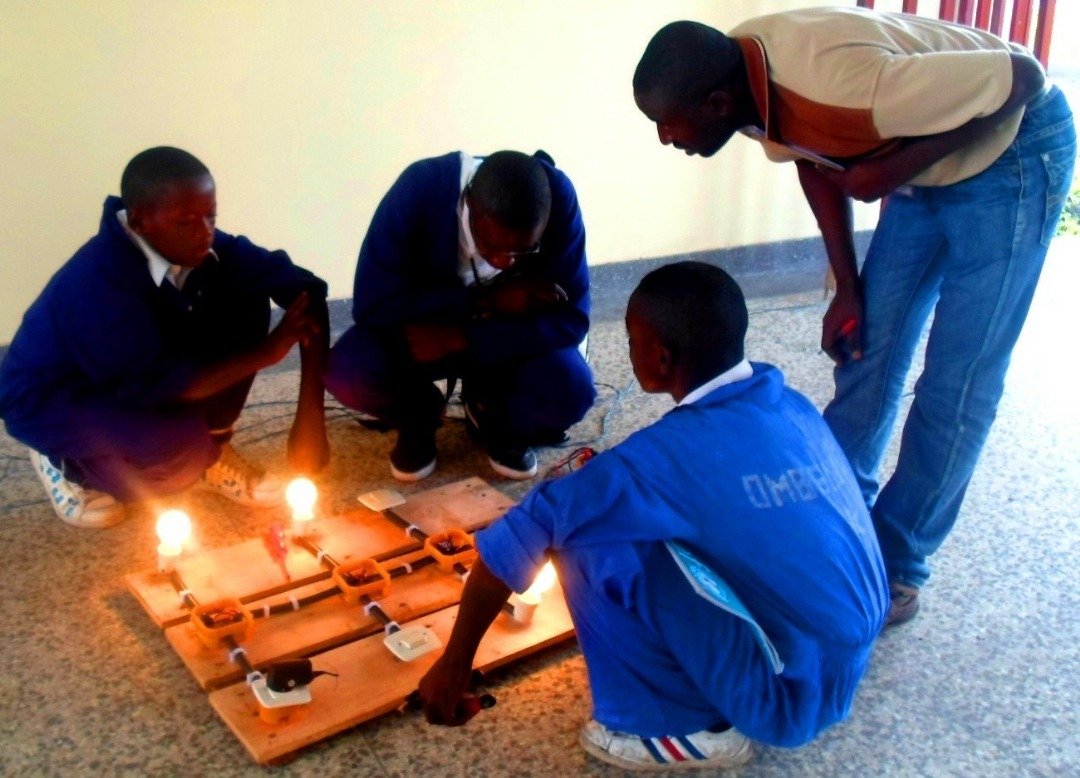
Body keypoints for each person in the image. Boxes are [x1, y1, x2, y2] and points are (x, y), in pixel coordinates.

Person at [633, 8, 1076, 625]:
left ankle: (897, 564)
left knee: (956, 385)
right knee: (867, 350)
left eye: (665, 124)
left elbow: (1024, 77)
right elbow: (813, 160)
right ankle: (832, 527)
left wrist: (891, 171)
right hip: (928, 162)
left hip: (1015, 153)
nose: (663, 137)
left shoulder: (843, 85)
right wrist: (847, 286)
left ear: (714, 103)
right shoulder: (740, 74)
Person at [419, 262, 888, 771]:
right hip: (841, 665)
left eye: (631, 339)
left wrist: (454, 663)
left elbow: (518, 539)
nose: (628, 349)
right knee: (624, 516)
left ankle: (678, 729)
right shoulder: (789, 404)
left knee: (587, 538)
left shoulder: (656, 460)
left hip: (781, 696)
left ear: (661, 358)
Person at [0, 146, 330, 528]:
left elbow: (307, 292)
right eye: (188, 222)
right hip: (53, 396)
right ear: (141, 222)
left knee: (246, 297)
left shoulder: (196, 241)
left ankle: (214, 448)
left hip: (138, 370)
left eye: (211, 215)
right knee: (178, 457)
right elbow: (155, 387)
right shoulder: (98, 283)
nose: (206, 232)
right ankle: (62, 460)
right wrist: (267, 352)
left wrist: (310, 413)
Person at [325, 150, 595, 482]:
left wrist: (466, 336)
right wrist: (487, 300)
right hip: (424, 336)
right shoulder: (421, 188)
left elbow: (572, 319)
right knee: (346, 371)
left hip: (503, 343)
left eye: (522, 250)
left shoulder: (556, 196)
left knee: (572, 390)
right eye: (489, 246)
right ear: (468, 203)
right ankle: (419, 414)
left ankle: (493, 412)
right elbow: (371, 303)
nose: (503, 263)